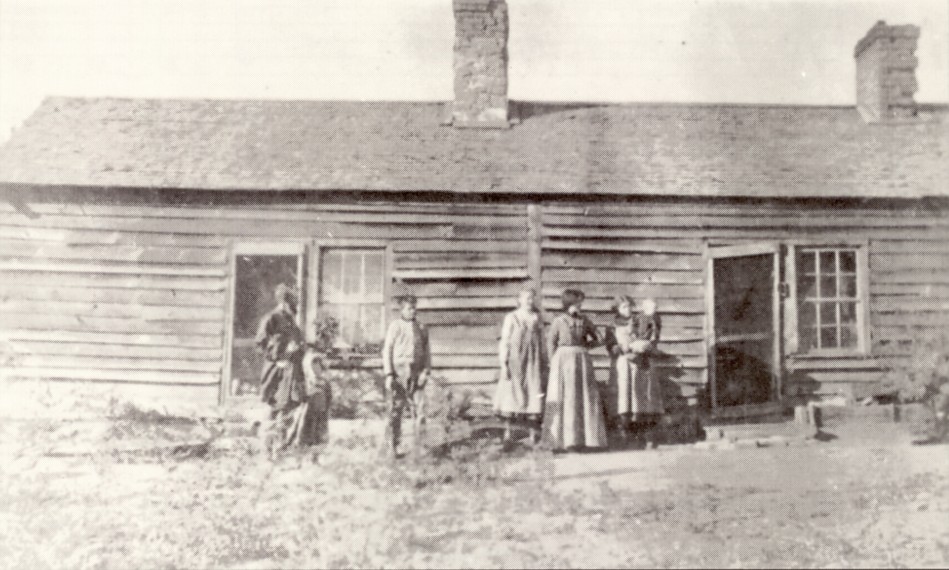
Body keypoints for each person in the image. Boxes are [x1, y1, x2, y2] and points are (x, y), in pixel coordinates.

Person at [542, 289, 609, 451]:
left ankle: (585, 440)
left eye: (580, 303)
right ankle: (561, 442)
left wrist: (584, 347)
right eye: (576, 303)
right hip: (563, 361)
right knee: (565, 397)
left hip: (581, 361)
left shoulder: (585, 320)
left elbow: (599, 339)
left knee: (583, 397)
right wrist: (553, 362)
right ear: (568, 304)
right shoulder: (558, 321)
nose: (579, 306)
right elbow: (551, 342)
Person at [255, 283, 308, 458]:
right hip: (277, 371)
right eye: (293, 302)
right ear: (285, 302)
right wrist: (279, 356)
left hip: (291, 371)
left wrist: (298, 348)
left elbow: (299, 342)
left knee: (287, 410)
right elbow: (261, 343)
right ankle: (266, 452)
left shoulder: (291, 321)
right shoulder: (272, 319)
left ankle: (280, 451)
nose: (296, 306)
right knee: (273, 409)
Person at [607, 295, 663, 446]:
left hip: (640, 363)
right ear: (617, 309)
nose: (628, 309)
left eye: (630, 306)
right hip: (624, 363)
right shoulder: (612, 326)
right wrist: (623, 348)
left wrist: (643, 345)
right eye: (624, 307)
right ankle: (625, 434)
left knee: (642, 397)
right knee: (625, 397)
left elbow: (651, 335)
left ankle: (645, 435)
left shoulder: (639, 320)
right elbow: (611, 346)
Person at [494, 287, 547, 444]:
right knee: (511, 393)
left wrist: (544, 360)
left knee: (533, 393)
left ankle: (532, 434)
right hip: (515, 361)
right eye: (526, 298)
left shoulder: (537, 318)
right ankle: (508, 433)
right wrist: (504, 364)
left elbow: (542, 341)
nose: (530, 301)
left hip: (533, 362)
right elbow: (505, 341)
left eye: (532, 298)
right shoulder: (512, 317)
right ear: (519, 300)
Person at [382, 294, 431, 458]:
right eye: (410, 308)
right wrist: (389, 374)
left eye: (414, 307)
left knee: (420, 409)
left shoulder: (422, 327)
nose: (413, 310)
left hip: (417, 371)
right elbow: (387, 350)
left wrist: (426, 371)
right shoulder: (395, 326)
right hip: (399, 371)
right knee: (397, 410)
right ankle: (394, 446)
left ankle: (421, 447)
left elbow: (427, 353)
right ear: (402, 309)